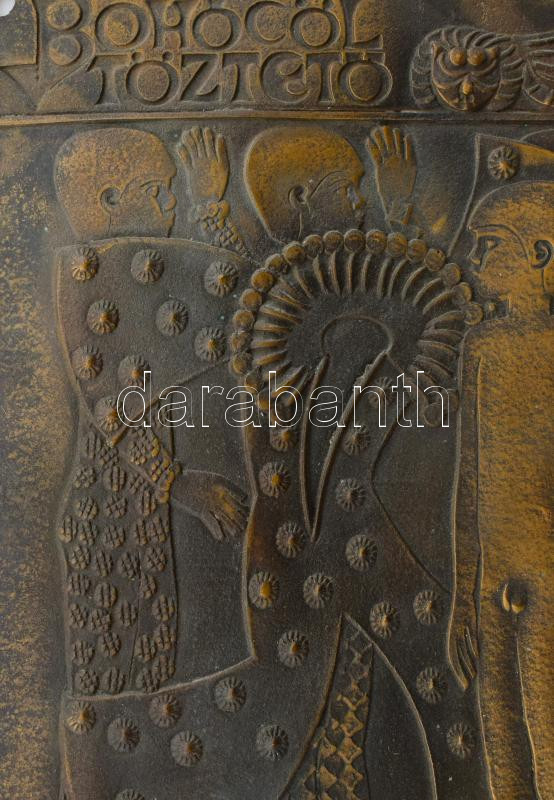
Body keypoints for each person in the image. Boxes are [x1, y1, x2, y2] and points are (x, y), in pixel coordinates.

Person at [449, 136, 554, 799]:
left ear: (541, 254)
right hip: (492, 580)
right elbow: (470, 483)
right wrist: (464, 596)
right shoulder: (481, 348)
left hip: (547, 573)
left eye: (489, 245)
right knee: (503, 751)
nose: (474, 259)